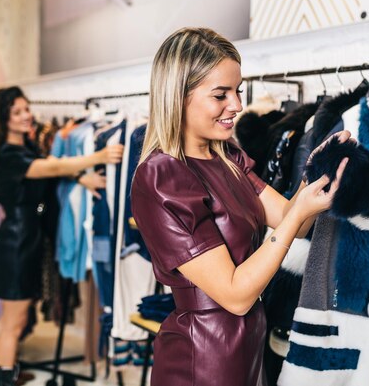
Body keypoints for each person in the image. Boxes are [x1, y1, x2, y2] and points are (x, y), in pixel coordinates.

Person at [131, 27, 349, 386]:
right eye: (221, 95)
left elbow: (292, 220)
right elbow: (235, 295)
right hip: (203, 353)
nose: (237, 105)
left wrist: (318, 169)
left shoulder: (228, 158)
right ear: (178, 97)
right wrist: (297, 213)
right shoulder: (162, 176)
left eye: (238, 91)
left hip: (245, 341)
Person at [0, 86, 124, 386]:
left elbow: (49, 170)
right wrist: (97, 156)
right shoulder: (8, 153)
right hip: (17, 243)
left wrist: (80, 177)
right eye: (16, 112)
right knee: (13, 325)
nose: (26, 115)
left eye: (26, 109)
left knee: (8, 321)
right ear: (2, 119)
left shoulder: (23, 148)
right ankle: (1, 380)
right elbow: (51, 166)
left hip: (22, 241)